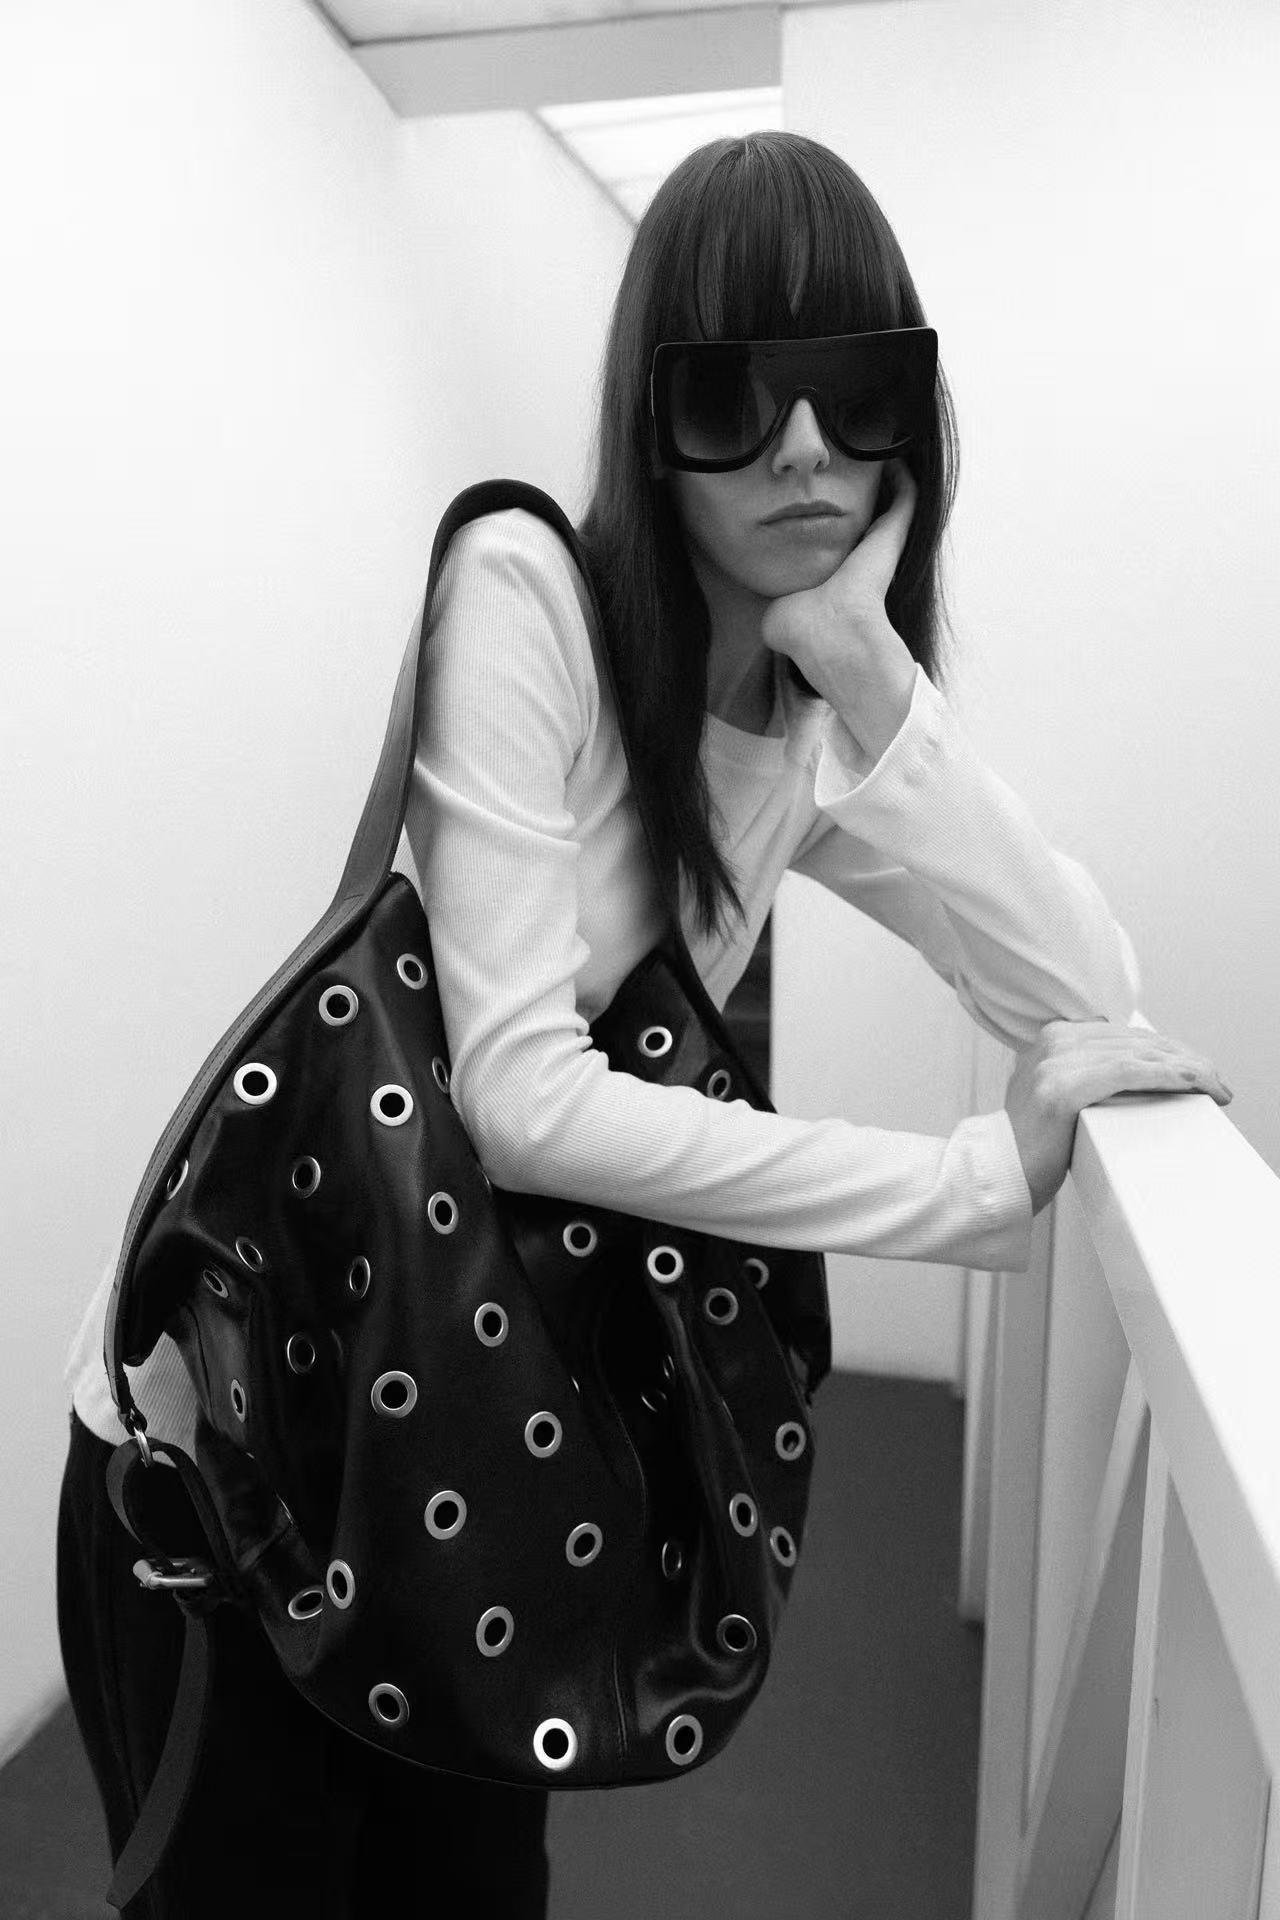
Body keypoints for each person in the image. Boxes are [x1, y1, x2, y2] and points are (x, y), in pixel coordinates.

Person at [56, 129, 1232, 1919]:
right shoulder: (526, 593)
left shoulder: (804, 736)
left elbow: (1081, 986)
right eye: (734, 401)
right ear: (649, 418)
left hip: (464, 1464)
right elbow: (525, 1100)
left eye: (856, 393)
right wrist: (966, 1181)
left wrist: (871, 669)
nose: (804, 450)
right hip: (238, 1465)